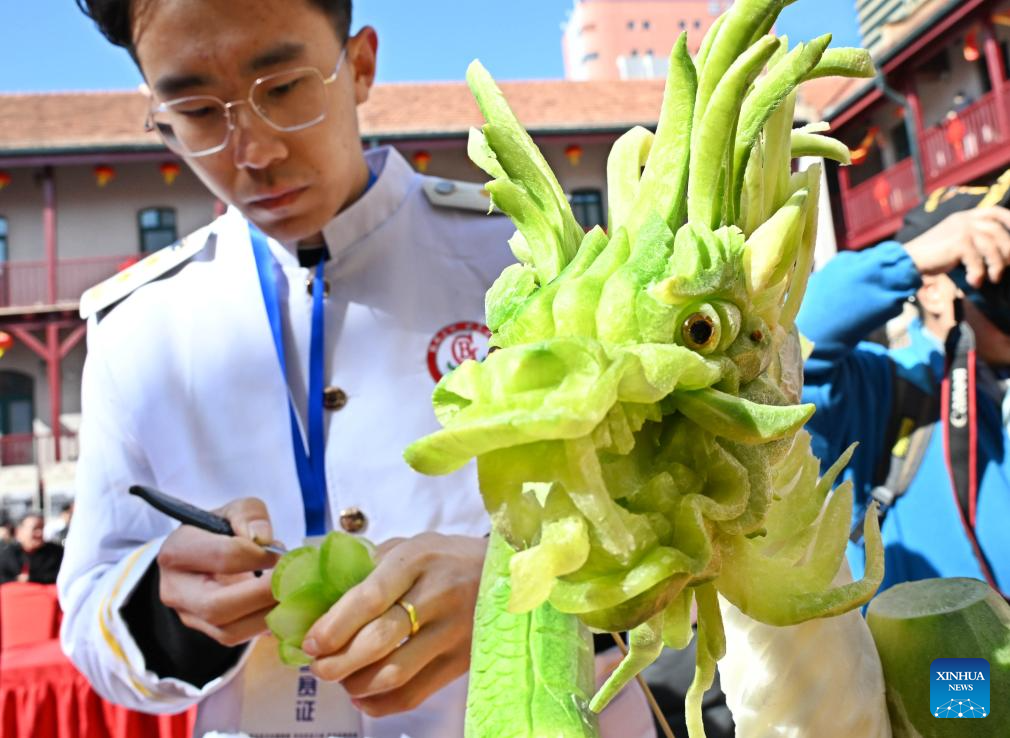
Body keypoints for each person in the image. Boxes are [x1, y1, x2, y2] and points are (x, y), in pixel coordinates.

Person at [62, 2, 655, 737]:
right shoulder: (137, 328)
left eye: (282, 88)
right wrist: (170, 609)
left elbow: (681, 527)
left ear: (362, 65)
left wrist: (513, 591)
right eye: (195, 111)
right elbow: (88, 614)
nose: (253, 152)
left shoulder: (533, 261)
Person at [797, 193, 1010, 600]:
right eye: (993, 268)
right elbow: (786, 347)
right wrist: (906, 261)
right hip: (944, 664)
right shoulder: (886, 384)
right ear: (932, 289)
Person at [0, 511, 65, 584]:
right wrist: (17, 580)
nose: (39, 533)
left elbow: (61, 576)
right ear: (19, 531)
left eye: (42, 528)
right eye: (35, 529)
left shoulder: (56, 553)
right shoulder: (7, 554)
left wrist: (31, 578)